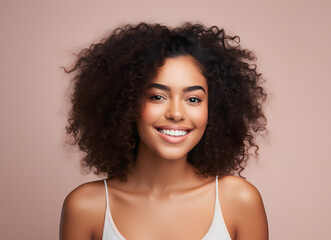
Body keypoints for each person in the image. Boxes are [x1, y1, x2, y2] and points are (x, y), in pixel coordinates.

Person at [60, 22, 268, 240]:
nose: (176, 113)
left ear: (214, 110)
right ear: (125, 104)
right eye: (157, 97)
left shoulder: (238, 200)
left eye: (193, 99)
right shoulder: (86, 208)